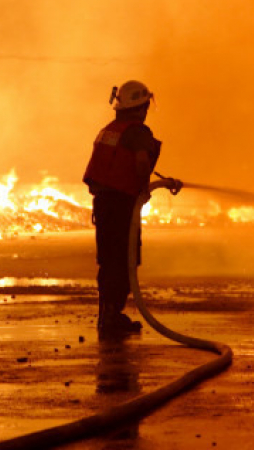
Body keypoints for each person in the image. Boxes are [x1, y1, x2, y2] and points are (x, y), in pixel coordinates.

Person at [83, 80, 166, 335]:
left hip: (105, 204)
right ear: (140, 107)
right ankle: (113, 316)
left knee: (108, 261)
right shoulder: (137, 132)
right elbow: (141, 162)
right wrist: (144, 186)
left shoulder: (110, 129)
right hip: (122, 206)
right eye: (145, 106)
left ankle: (106, 313)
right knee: (124, 260)